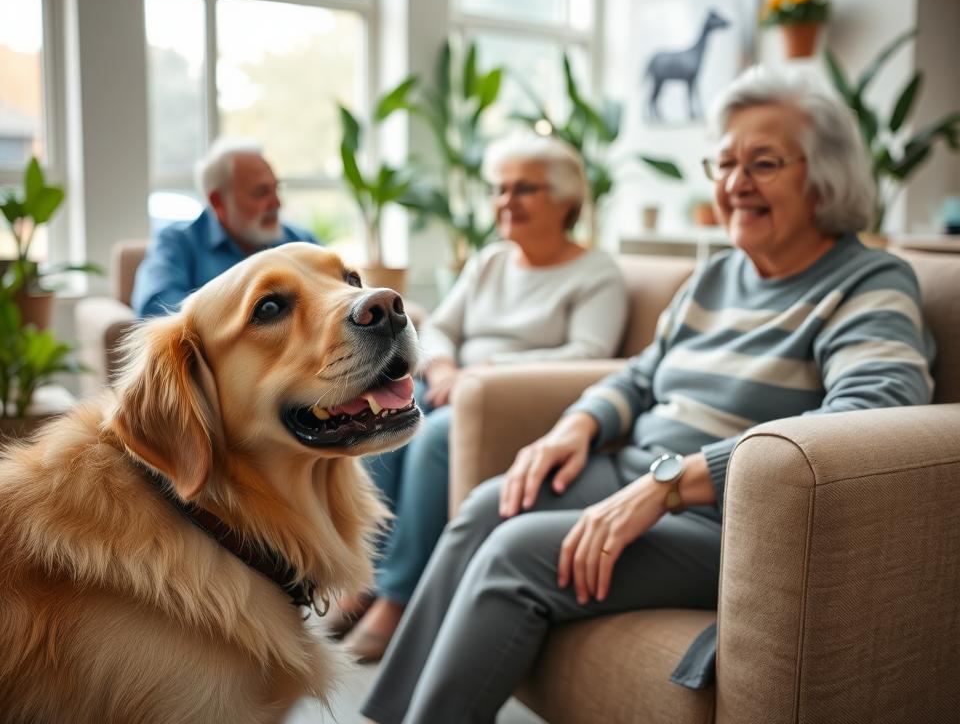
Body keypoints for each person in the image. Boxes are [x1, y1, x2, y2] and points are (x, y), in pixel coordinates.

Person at [360, 66, 937, 723]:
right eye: (723, 164)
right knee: (488, 504)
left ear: (826, 174)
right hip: (637, 469)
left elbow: (871, 418)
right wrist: (574, 427)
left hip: (735, 519)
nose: (735, 184)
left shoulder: (869, 283)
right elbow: (641, 374)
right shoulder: (716, 275)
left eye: (764, 163)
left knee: (517, 552)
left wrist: (669, 485)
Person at [338, 134, 628, 662]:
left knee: (432, 437)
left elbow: (589, 353)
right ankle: (363, 577)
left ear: (565, 201)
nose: (505, 202)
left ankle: (399, 599)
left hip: (515, 403)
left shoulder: (596, 273)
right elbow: (441, 326)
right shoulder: (491, 261)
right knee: (378, 410)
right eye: (499, 189)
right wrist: (445, 365)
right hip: (457, 382)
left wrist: (485, 373)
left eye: (524, 189)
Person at [131, 139, 316, 318]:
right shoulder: (177, 243)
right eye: (261, 192)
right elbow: (154, 307)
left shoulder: (300, 240)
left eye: (276, 189)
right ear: (218, 202)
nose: (277, 203)